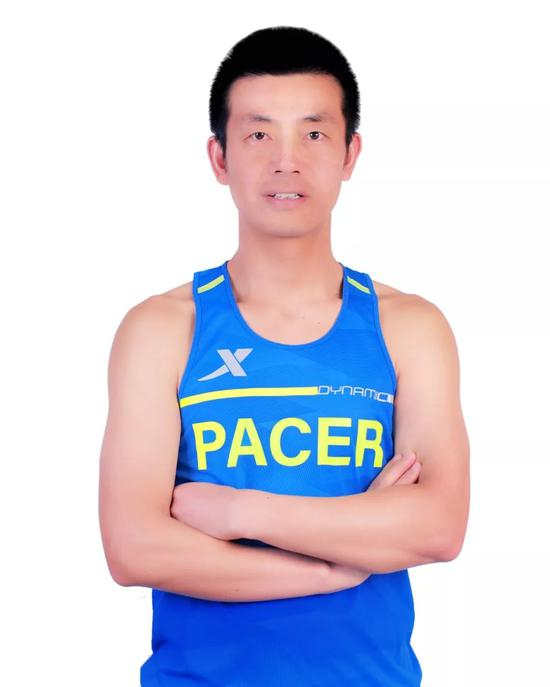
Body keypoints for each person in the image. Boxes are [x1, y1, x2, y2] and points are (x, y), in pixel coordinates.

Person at [98, 25, 470, 687]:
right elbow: (134, 547)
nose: (287, 161)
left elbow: (439, 526)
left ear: (351, 153)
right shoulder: (161, 330)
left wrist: (241, 513)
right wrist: (334, 567)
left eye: (314, 133)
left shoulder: (410, 327)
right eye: (259, 134)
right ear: (219, 157)